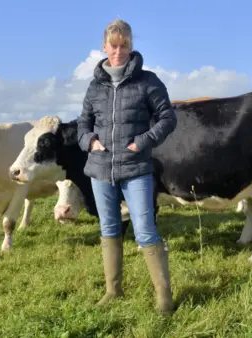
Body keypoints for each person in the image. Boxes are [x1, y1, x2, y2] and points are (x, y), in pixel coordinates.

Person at [76, 19, 178, 315]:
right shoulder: (95, 87)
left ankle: (163, 298)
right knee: (109, 228)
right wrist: (90, 141)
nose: (118, 51)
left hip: (136, 168)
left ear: (130, 47)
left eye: (124, 46)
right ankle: (113, 290)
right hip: (100, 169)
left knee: (145, 230)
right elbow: (83, 123)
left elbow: (167, 118)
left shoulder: (148, 81)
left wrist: (144, 141)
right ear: (104, 47)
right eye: (113, 46)